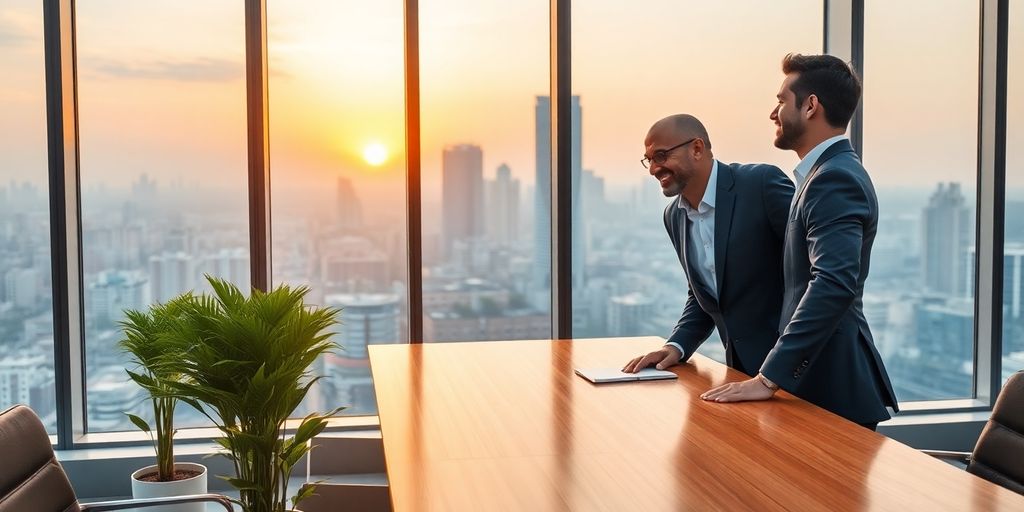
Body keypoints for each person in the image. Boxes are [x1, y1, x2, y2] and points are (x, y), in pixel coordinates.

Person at [700, 54, 899, 430]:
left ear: (810, 106)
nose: (773, 113)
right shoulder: (821, 175)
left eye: (780, 101)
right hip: (811, 385)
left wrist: (768, 376)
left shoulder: (832, 179)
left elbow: (832, 283)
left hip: (831, 387)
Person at [623, 114, 794, 378]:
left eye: (661, 156)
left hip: (802, 373)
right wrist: (677, 345)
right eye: (649, 160)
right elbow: (706, 294)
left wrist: (786, 363)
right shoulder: (674, 216)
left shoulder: (760, 185)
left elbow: (812, 274)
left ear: (697, 149)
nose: (653, 169)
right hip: (743, 375)